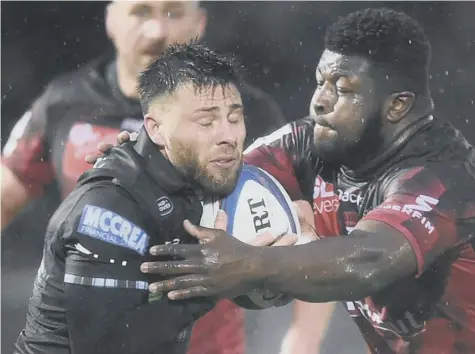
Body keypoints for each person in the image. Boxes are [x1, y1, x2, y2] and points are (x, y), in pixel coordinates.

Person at [132, 8, 475, 353]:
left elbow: (370, 260)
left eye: (343, 88)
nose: (319, 102)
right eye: (320, 81)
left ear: (397, 106)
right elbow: (217, 172)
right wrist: (145, 159)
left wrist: (249, 264)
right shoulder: (315, 143)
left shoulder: (445, 178)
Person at [1, 2, 287, 354]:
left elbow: (304, 222)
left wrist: (301, 340)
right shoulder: (64, 103)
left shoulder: (246, 113)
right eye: (140, 12)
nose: (157, 31)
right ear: (110, 20)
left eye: (173, 12)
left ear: (200, 23)